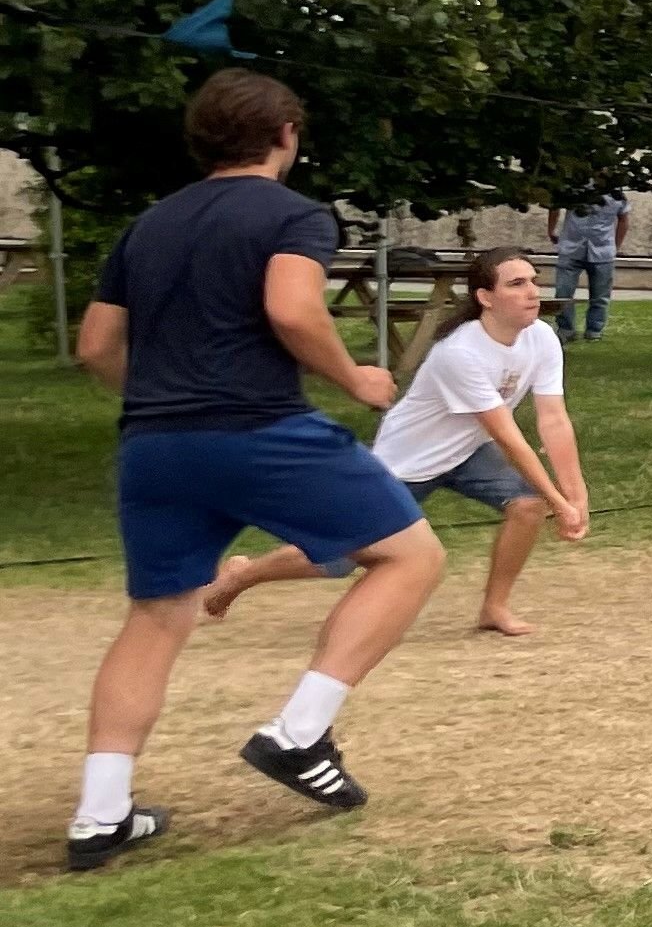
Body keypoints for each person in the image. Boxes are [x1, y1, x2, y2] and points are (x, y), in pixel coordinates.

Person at [62, 69, 446, 868]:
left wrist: (169, 400)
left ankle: (100, 815)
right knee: (409, 555)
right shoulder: (292, 215)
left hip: (154, 445)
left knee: (158, 615)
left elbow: (95, 347)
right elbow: (292, 310)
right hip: (259, 427)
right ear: (286, 136)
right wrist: (358, 379)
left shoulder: (150, 225)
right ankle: (298, 733)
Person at [206, 249, 590, 639]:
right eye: (517, 283)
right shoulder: (459, 353)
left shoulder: (541, 337)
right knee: (338, 561)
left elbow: (553, 420)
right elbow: (508, 436)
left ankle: (494, 608)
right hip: (408, 462)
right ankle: (243, 573)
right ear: (485, 298)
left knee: (527, 505)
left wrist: (575, 495)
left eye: (533, 282)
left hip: (468, 452)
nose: (532, 292)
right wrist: (560, 505)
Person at [546, 189, 625, 343]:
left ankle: (594, 331)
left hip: (602, 251)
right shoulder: (575, 188)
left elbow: (623, 218)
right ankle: (566, 329)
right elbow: (555, 206)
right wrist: (551, 230)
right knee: (563, 293)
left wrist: (616, 246)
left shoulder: (615, 193)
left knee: (600, 297)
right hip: (571, 247)